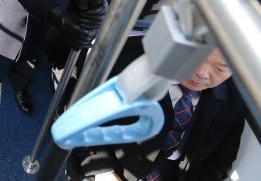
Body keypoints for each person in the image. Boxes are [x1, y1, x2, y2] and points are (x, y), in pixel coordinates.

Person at [69, 43, 246, 181]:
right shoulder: (130, 57)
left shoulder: (235, 103)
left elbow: (218, 162)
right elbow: (86, 112)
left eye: (219, 69)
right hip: (108, 167)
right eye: (197, 57)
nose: (201, 73)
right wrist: (104, 172)